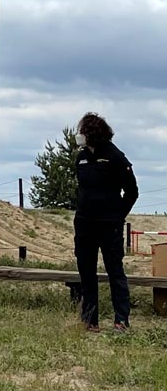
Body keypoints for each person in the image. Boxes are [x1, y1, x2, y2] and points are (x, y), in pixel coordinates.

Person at [74, 112, 138, 333]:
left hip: (109, 225)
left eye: (83, 131)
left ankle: (121, 320)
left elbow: (132, 192)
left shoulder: (115, 157)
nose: (79, 135)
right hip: (84, 223)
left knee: (115, 272)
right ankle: (90, 320)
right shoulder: (81, 157)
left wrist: (118, 215)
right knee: (86, 272)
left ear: (93, 133)